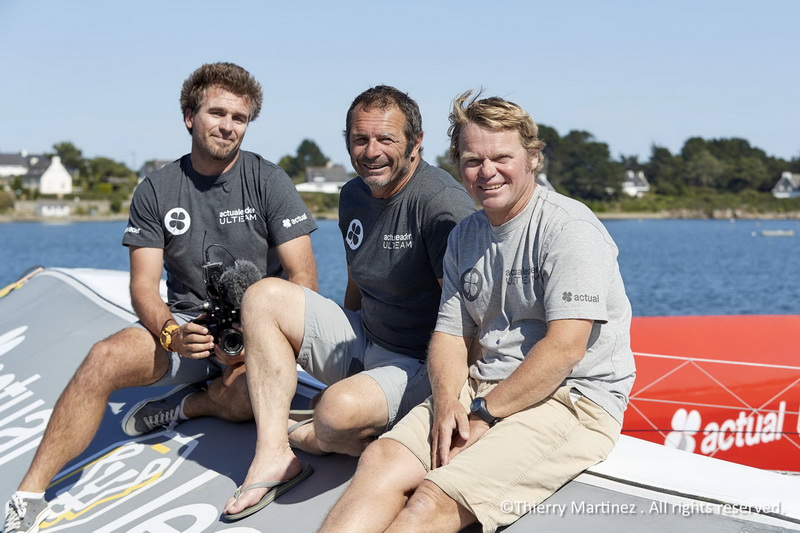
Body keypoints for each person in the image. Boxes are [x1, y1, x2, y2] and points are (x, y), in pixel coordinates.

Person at [2, 62, 318, 533]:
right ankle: (28, 493)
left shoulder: (268, 181)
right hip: (186, 327)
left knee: (245, 399)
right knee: (103, 358)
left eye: (239, 117)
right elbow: (143, 288)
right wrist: (171, 333)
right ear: (189, 116)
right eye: (217, 113)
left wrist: (261, 339)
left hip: (256, 329)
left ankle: (190, 405)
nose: (228, 126)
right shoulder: (157, 189)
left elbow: (304, 277)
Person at [318, 92, 637, 533]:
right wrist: (449, 400)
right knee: (380, 460)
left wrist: (485, 413)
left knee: (433, 497)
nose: (487, 171)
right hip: (481, 386)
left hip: (572, 399)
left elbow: (566, 348)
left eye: (501, 157)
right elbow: (450, 335)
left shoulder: (569, 229)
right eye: (472, 160)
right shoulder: (466, 235)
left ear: (532, 159)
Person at [222, 85, 476, 520]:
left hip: (419, 363)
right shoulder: (353, 194)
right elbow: (358, 279)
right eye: (360, 140)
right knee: (261, 295)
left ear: (416, 143)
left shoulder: (440, 207)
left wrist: (459, 401)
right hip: (370, 339)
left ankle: (320, 437)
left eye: (386, 139)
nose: (371, 151)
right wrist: (339, 346)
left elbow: (466, 320)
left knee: (334, 412)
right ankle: (274, 457)